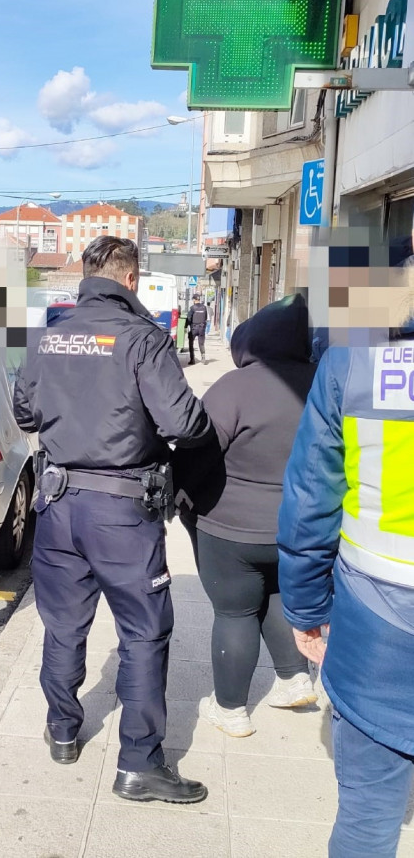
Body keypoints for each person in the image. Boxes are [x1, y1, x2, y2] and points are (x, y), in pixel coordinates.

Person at [13, 236, 212, 803]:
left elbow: (25, 409)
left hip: (56, 505)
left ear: (85, 276)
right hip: (122, 513)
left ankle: (62, 730)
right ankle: (140, 763)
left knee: (63, 625)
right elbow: (185, 423)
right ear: (131, 279)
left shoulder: (49, 336)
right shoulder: (141, 339)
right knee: (145, 633)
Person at [278, 282, 414, 857]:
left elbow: (311, 498)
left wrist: (307, 610)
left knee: (367, 821)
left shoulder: (356, 365)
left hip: (379, 630)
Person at [173, 295, 316, 739]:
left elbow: (199, 450)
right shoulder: (323, 383)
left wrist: (181, 497)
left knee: (235, 611)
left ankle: (230, 708)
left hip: (230, 524)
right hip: (297, 527)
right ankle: (294, 677)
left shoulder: (236, 387)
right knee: (274, 594)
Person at [186, 293, 208, 364]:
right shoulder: (204, 307)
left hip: (194, 328)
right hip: (202, 328)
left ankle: (192, 359)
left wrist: (186, 325)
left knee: (191, 343)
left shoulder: (192, 308)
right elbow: (205, 317)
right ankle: (203, 358)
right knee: (201, 344)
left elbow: (189, 318)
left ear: (194, 300)